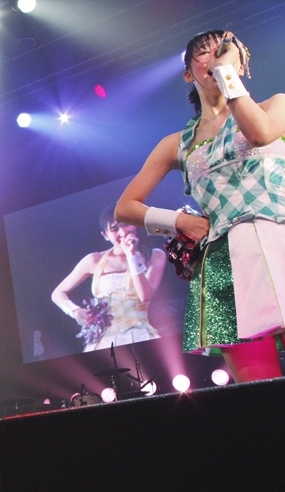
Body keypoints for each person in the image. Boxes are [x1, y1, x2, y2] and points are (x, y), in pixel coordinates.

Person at [117, 29, 285, 382]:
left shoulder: (276, 106)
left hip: (280, 237)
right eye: (203, 53)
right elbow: (126, 207)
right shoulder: (176, 143)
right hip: (225, 260)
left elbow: (259, 135)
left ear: (240, 63)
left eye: (223, 50)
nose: (215, 55)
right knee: (261, 391)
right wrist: (181, 221)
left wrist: (226, 75)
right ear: (188, 73)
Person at [51, 204, 165, 351]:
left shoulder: (155, 256)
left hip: (139, 334)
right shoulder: (94, 260)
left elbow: (145, 296)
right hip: (102, 340)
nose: (123, 232)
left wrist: (132, 256)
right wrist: (74, 311)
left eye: (126, 224)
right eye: (114, 229)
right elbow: (58, 293)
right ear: (105, 235)